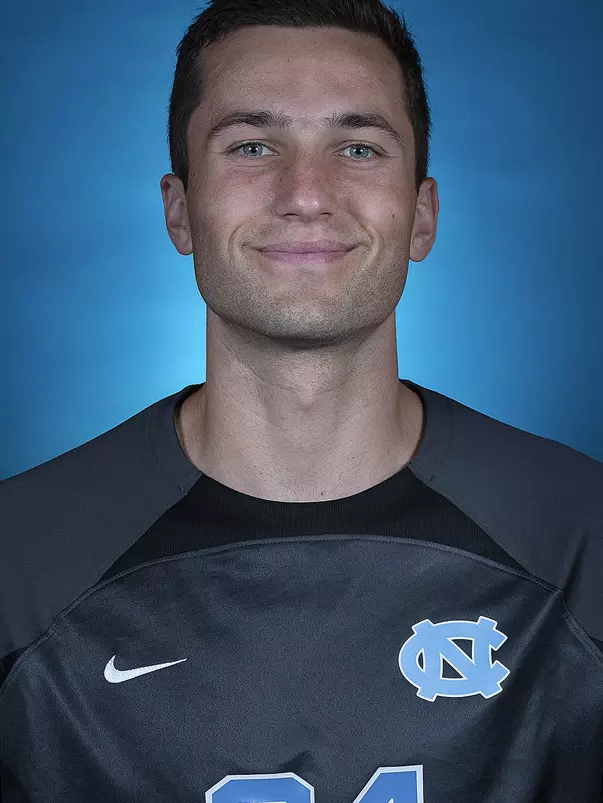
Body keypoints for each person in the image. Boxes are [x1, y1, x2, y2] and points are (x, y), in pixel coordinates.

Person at [1, 1, 602, 801]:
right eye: (253, 145)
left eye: (357, 147)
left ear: (421, 214)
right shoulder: (21, 563)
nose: (306, 194)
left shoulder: (580, 538)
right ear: (180, 209)